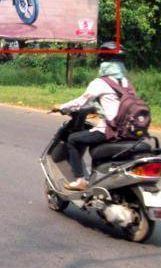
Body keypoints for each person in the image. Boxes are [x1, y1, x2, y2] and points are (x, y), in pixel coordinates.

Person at [55, 43, 129, 191]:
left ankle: (80, 180)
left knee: (73, 139)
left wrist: (61, 107)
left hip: (110, 129)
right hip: (129, 130)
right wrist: (97, 109)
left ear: (103, 61)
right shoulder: (125, 82)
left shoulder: (101, 83)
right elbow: (114, 103)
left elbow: (81, 102)